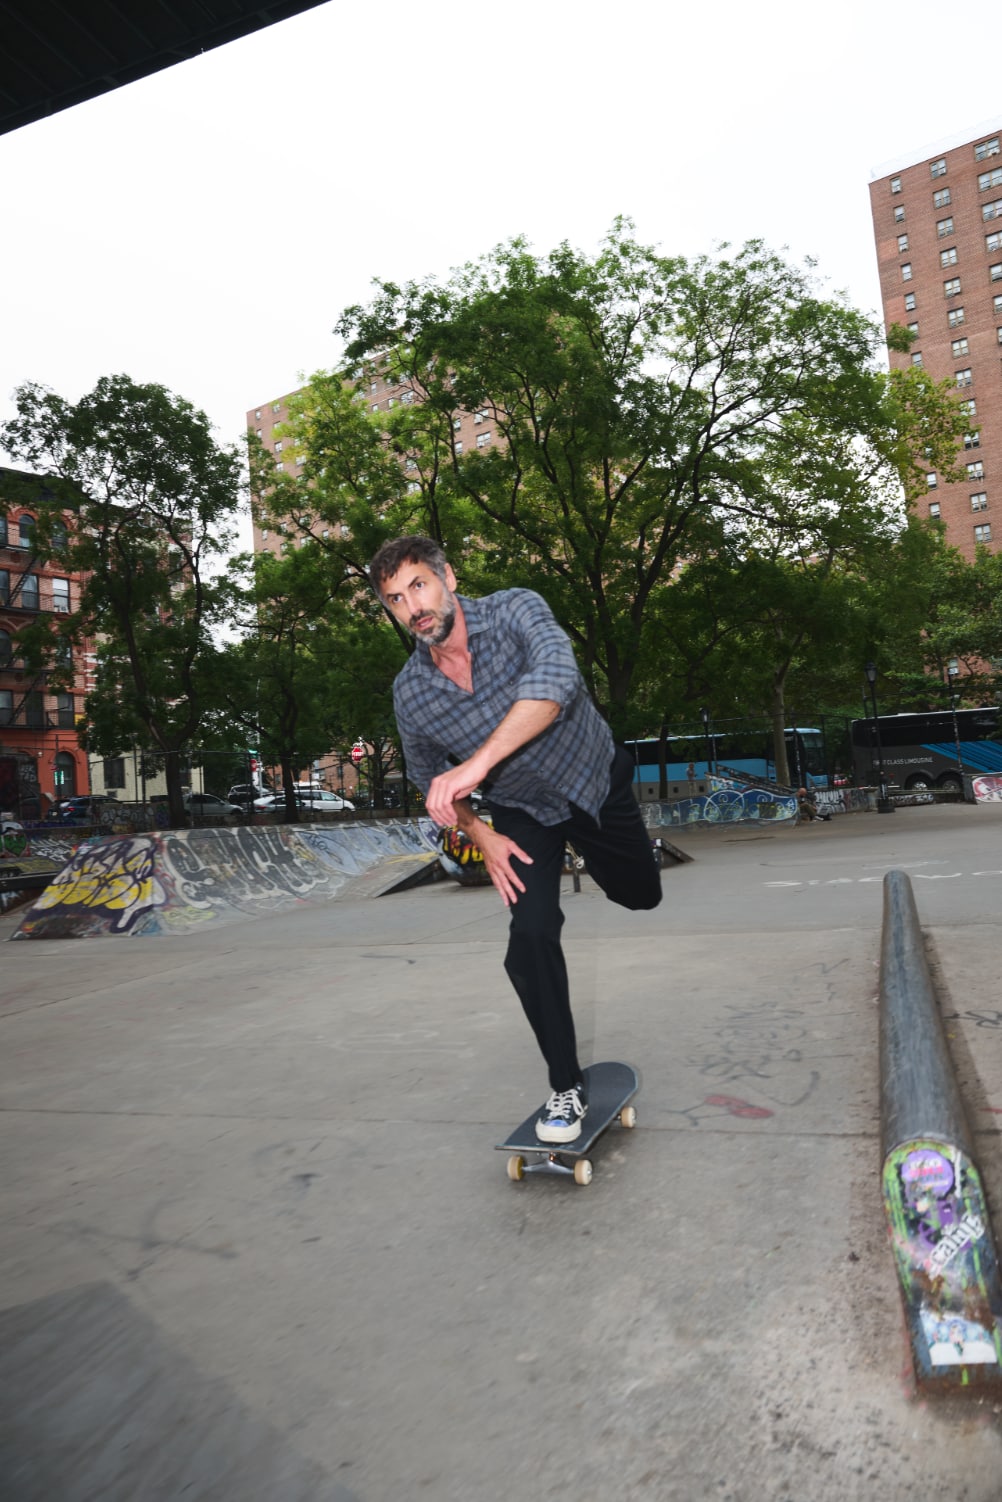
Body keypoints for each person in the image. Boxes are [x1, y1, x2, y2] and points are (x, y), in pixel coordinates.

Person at [369, 536, 662, 1143]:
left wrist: (476, 765)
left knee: (639, 895)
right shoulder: (411, 691)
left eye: (419, 585)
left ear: (448, 576)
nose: (413, 606)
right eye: (396, 599)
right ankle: (565, 1086)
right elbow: (430, 778)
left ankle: (610, 857)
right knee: (528, 937)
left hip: (593, 781)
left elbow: (557, 681)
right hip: (523, 815)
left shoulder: (515, 610)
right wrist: (481, 833)